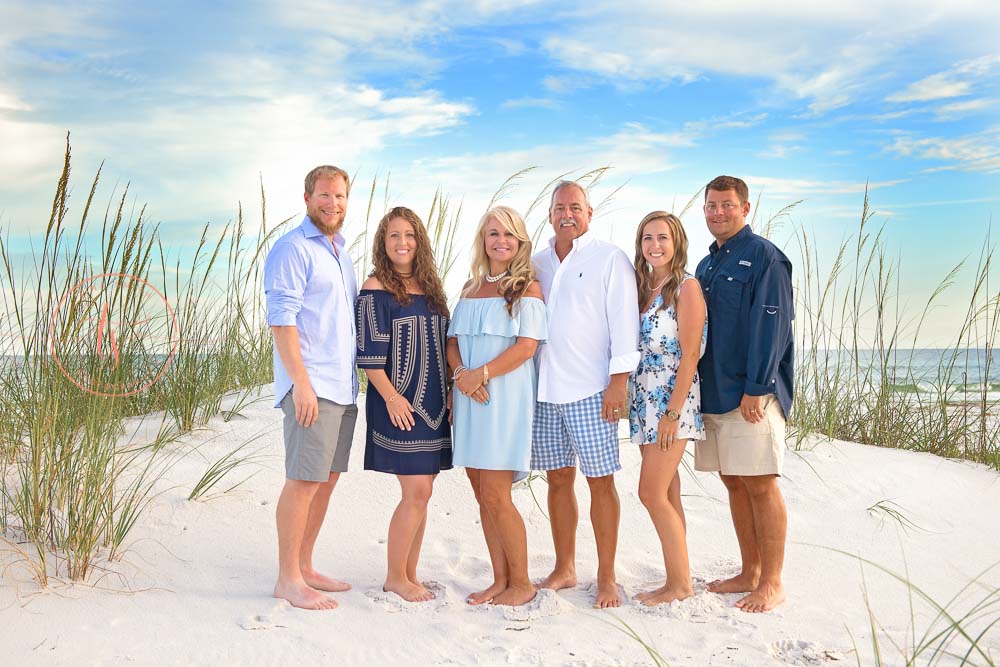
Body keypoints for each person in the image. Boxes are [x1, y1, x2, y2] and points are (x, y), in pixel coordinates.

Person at [531, 180, 640, 609]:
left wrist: (619, 382)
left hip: (592, 389)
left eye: (575, 207)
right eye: (560, 207)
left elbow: (624, 323)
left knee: (600, 482)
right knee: (558, 480)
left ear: (589, 214)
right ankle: (565, 567)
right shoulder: (536, 261)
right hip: (545, 389)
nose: (567, 214)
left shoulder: (609, 258)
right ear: (550, 214)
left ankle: (608, 576)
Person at [694, 175, 794, 613]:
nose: (719, 213)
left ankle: (771, 582)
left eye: (727, 205)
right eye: (712, 206)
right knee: (732, 480)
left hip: (751, 395)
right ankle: (749, 571)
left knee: (760, 484)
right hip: (714, 392)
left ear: (745, 208)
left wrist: (759, 386)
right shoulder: (705, 266)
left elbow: (772, 325)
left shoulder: (765, 258)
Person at [264, 165, 358, 611]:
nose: (332, 203)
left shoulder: (341, 252)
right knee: (303, 480)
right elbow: (281, 321)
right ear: (307, 198)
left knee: (326, 479)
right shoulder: (293, 248)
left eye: (339, 196)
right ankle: (287, 579)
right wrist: (300, 384)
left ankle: (305, 565)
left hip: (342, 387)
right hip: (312, 385)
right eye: (324, 195)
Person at [447, 206, 546, 607]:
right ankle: (499, 579)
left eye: (508, 234)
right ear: (482, 240)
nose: (500, 241)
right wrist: (461, 377)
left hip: (503, 398)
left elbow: (526, 347)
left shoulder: (527, 288)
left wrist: (480, 374)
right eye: (492, 233)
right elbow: (452, 342)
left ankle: (522, 582)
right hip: (469, 396)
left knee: (497, 493)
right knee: (480, 492)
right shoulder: (470, 289)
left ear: (519, 241)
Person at [355, 206, 452, 602]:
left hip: (432, 405)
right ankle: (395, 576)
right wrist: (392, 397)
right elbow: (369, 355)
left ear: (420, 241)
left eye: (409, 235)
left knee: (424, 491)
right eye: (394, 235)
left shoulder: (431, 287)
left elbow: (443, 345)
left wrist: (447, 391)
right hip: (397, 402)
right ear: (383, 242)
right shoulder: (376, 286)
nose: (402, 243)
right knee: (414, 491)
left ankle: (410, 573)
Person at [627, 212, 707, 606]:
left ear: (677, 242)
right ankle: (679, 577)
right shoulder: (643, 288)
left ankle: (680, 585)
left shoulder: (686, 287)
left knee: (650, 492)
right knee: (669, 493)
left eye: (662, 237)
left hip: (671, 403)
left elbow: (690, 354)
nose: (654, 245)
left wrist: (672, 414)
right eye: (647, 238)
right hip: (643, 401)